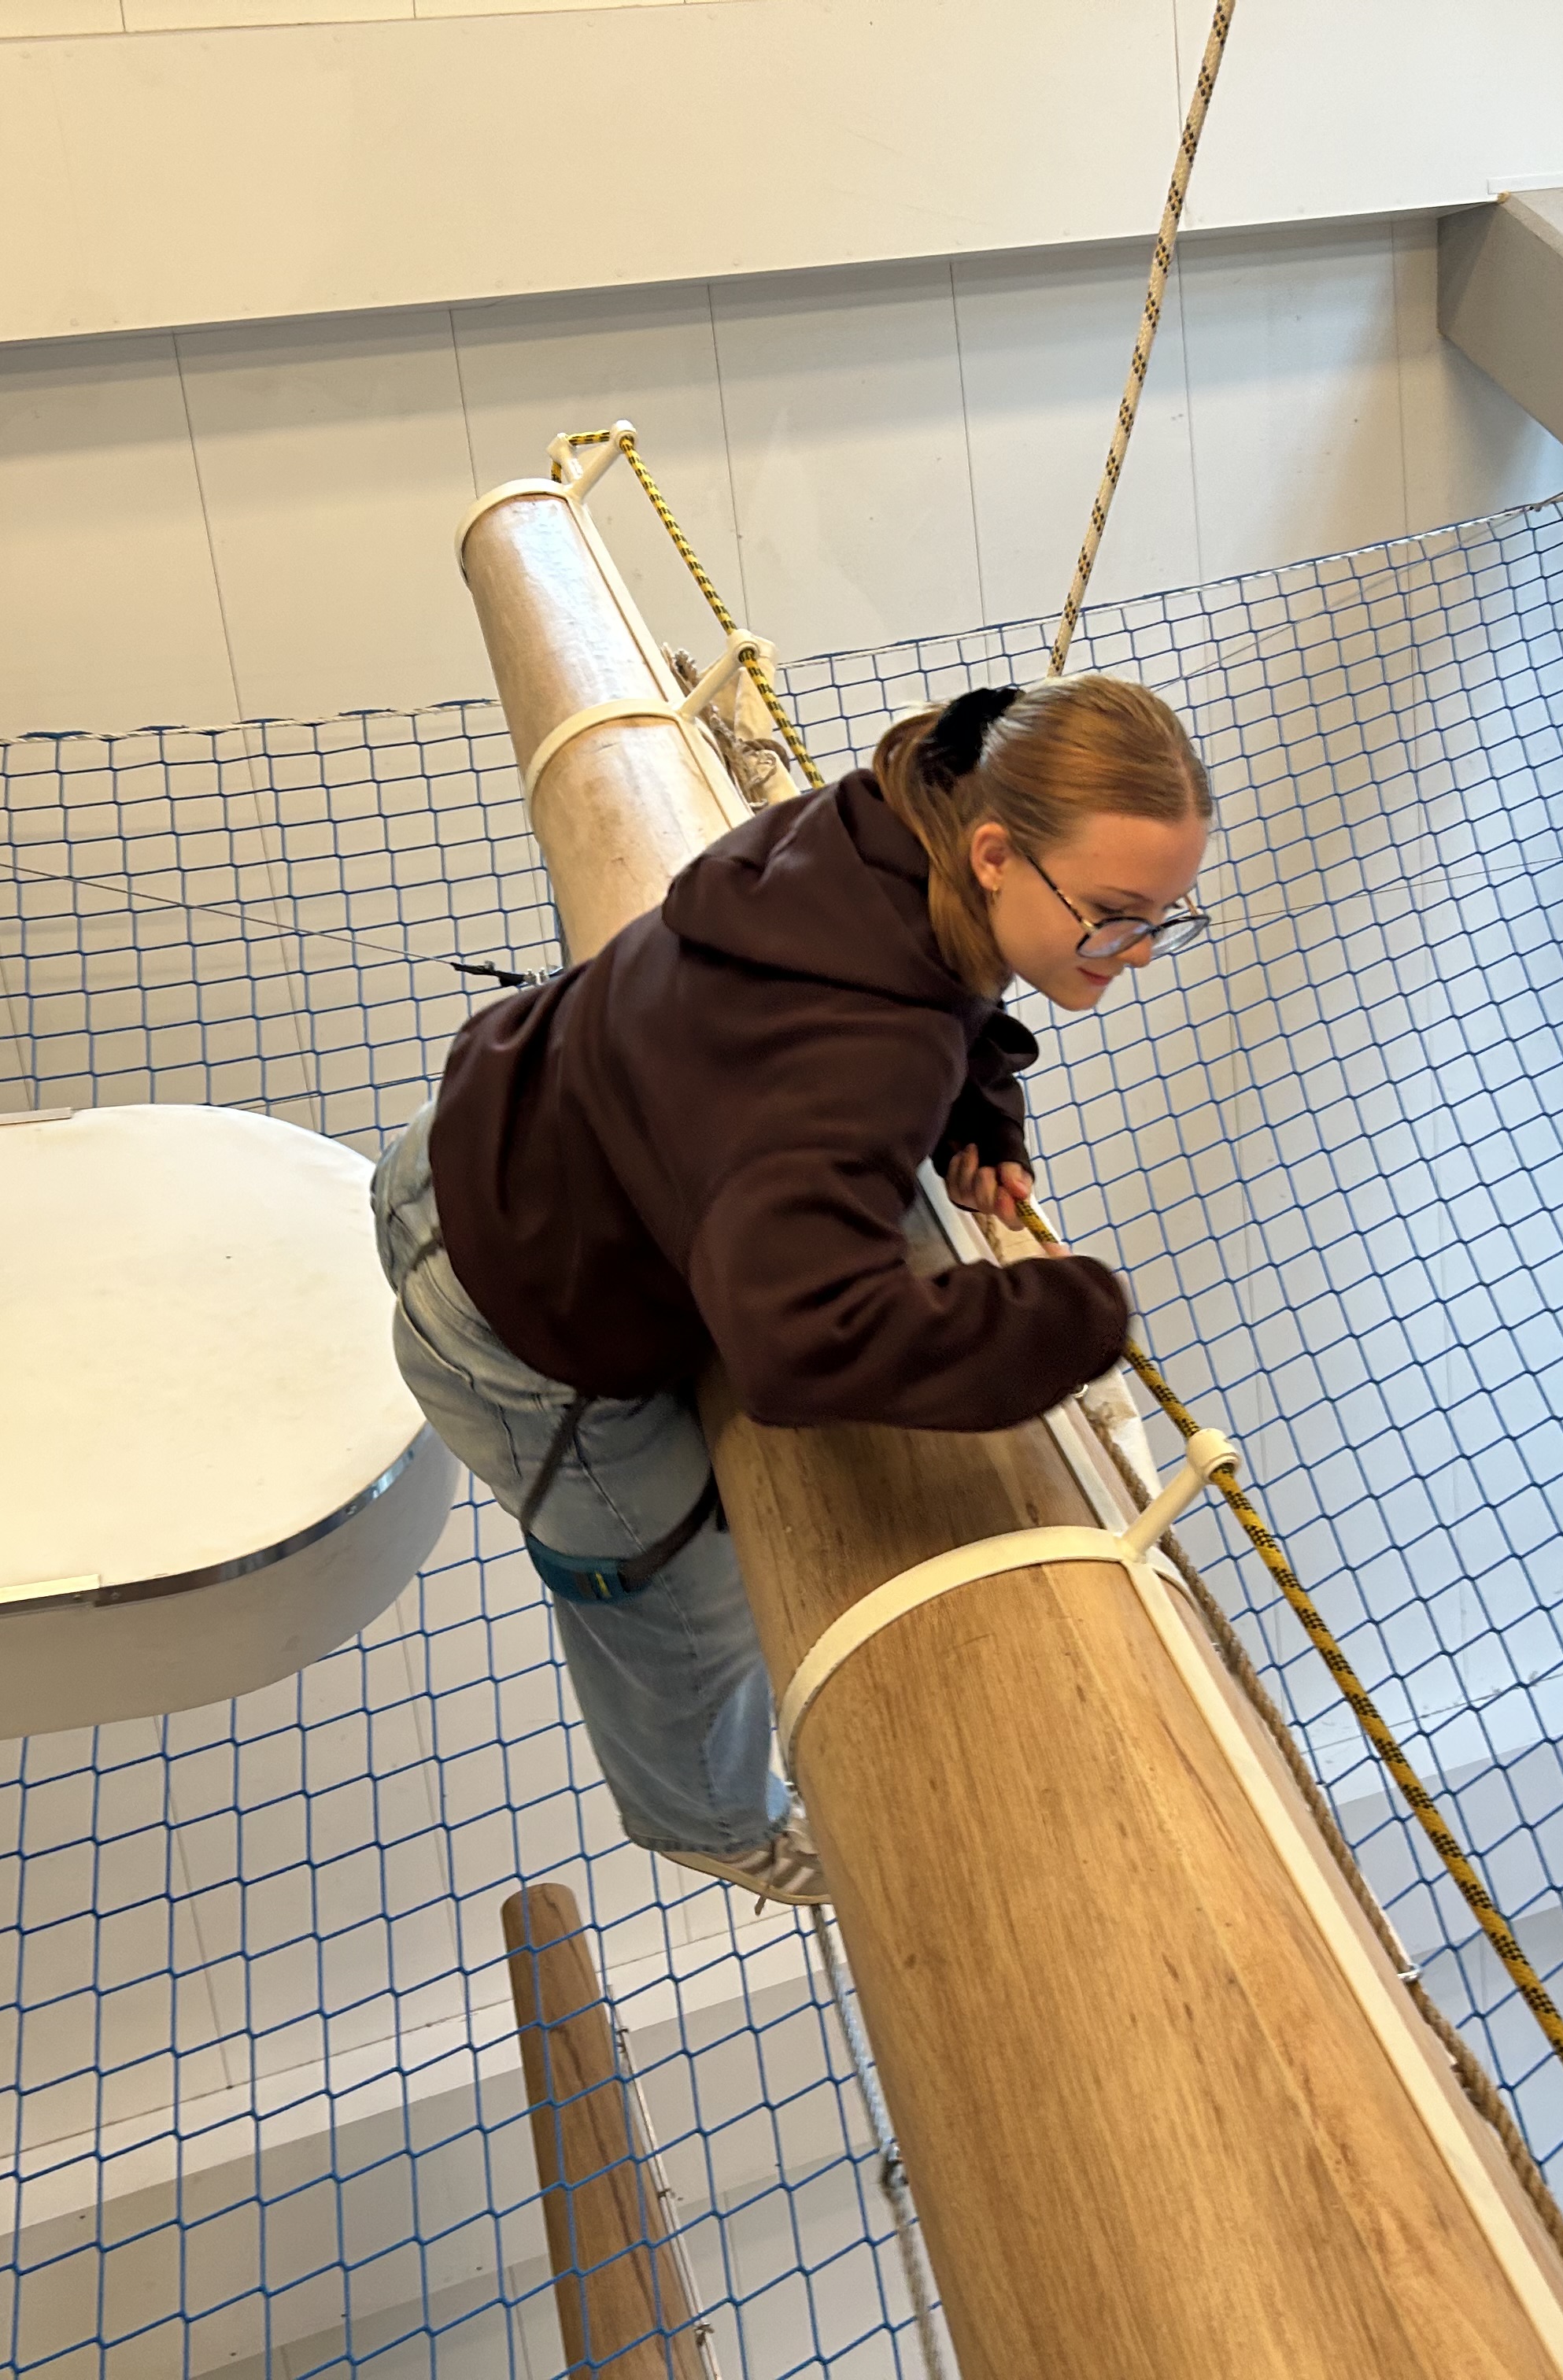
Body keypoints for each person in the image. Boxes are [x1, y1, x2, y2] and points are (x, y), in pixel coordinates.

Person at [374, 676, 1215, 1901]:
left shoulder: (890, 818)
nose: (1136, 955)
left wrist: (978, 1107)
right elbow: (801, 1345)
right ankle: (710, 1822)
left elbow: (941, 998)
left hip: (470, 1134)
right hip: (513, 1314)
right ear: (995, 855)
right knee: (684, 1593)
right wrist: (1077, 1314)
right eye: (1115, 918)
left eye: (1166, 919)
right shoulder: (862, 1057)